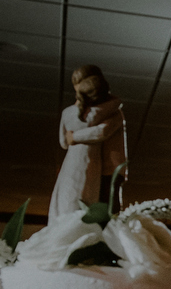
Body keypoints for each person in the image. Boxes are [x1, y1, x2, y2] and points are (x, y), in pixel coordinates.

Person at [50, 64, 125, 217]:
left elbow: (101, 131)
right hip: (95, 164)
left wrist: (74, 137)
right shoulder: (101, 111)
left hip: (110, 168)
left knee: (104, 211)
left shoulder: (110, 111)